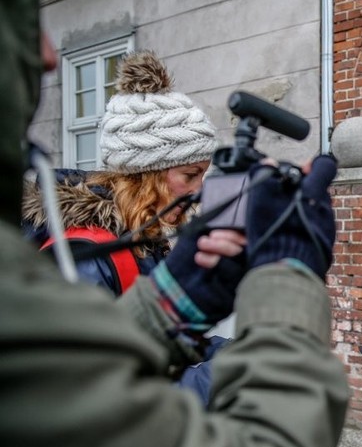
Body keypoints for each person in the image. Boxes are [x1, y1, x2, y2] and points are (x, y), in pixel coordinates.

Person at [0, 0, 350, 447]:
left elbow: (91, 377)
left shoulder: (137, 241)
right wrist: (286, 276)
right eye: (188, 177)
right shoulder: (78, 257)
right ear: (143, 178)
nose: (46, 55)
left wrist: (176, 299)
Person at [22, 49, 218, 296]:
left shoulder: (139, 236)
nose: (198, 189)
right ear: (147, 175)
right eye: (190, 175)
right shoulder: (87, 254)